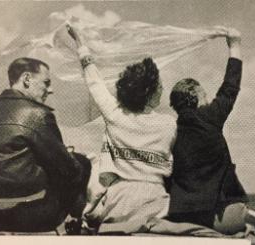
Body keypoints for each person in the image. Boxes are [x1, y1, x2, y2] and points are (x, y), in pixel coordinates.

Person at [0, 57, 91, 233]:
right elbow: (68, 170)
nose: (51, 90)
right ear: (27, 79)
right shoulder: (38, 114)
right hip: (31, 216)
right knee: (81, 162)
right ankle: (77, 227)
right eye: (46, 82)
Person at [67, 25, 177, 234]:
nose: (162, 89)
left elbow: (94, 81)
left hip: (119, 201)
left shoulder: (115, 115)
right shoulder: (169, 124)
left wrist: (81, 43)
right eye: (159, 86)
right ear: (148, 92)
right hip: (157, 203)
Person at [168, 27, 248, 235]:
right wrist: (235, 45)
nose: (207, 99)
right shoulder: (211, 117)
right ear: (196, 96)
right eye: (204, 95)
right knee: (240, 215)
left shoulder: (169, 132)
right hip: (220, 219)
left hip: (180, 218)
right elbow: (231, 86)